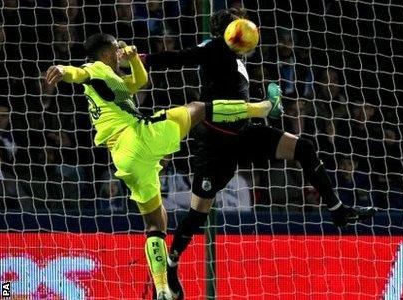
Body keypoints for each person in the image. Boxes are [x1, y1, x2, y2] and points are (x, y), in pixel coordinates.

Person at [141, 7, 377, 299]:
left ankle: (337, 210)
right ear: (229, 32)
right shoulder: (214, 48)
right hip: (215, 146)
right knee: (198, 213)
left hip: (244, 134)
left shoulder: (237, 56)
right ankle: (171, 264)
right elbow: (182, 57)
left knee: (303, 147)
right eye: (239, 28)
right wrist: (146, 59)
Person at [44, 33, 279, 300]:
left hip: (123, 159)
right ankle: (261, 109)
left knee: (155, 224)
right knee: (198, 108)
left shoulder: (111, 82)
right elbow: (80, 73)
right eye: (115, 47)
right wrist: (63, 70)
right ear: (107, 52)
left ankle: (162, 289)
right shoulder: (96, 68)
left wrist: (133, 59)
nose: (119, 50)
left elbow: (140, 81)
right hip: (137, 137)